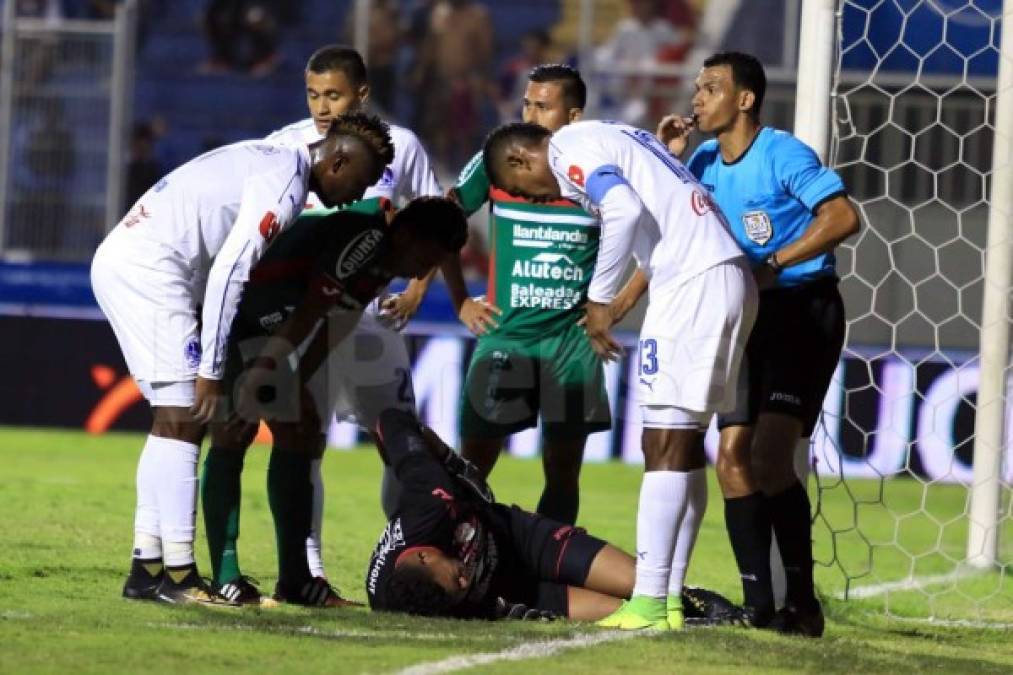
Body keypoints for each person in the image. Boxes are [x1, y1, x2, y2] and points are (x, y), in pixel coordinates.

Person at [92, 112, 394, 604]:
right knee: (185, 417)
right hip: (152, 271)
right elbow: (231, 272)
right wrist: (212, 370)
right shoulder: (285, 187)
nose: (356, 197)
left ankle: (147, 568)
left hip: (133, 259)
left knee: (169, 422)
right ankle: (180, 577)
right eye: (359, 182)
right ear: (338, 160)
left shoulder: (271, 159)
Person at [481, 119, 756, 630]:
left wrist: (600, 298)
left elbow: (623, 208)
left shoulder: (565, 149)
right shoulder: (611, 135)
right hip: (724, 274)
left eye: (524, 190)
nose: (537, 198)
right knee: (684, 446)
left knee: (664, 443)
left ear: (521, 163)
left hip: (693, 284)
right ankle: (668, 598)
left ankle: (649, 601)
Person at [199, 45, 443, 603]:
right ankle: (298, 570)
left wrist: (415, 288)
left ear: (362, 93)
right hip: (284, 310)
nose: (322, 106)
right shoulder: (286, 148)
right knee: (292, 433)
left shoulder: (398, 146)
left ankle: (408, 547)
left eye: (333, 94)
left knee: (397, 437)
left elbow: (432, 226)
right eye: (313, 94)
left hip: (364, 316)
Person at [648, 51, 860, 636]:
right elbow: (670, 223)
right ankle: (758, 606)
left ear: (745, 99)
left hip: (800, 312)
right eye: (695, 89)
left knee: (768, 457)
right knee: (732, 458)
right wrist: (669, 160)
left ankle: (804, 603)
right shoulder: (706, 159)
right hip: (744, 315)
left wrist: (774, 262)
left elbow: (843, 216)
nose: (696, 99)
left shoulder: (782, 153)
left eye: (710, 88)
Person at [206, 197, 468, 606]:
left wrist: (295, 376)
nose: (420, 273)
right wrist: (262, 381)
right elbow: (310, 314)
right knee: (233, 431)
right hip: (238, 309)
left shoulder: (386, 257)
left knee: (301, 428)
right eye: (426, 257)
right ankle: (226, 575)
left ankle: (294, 580)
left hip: (273, 318)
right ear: (408, 234)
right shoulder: (363, 239)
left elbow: (337, 321)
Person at [366, 408, 739, 622]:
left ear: (424, 554)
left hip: (522, 539)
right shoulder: (408, 601)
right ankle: (695, 622)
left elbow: (389, 420)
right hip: (516, 591)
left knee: (638, 583)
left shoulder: (429, 504)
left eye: (457, 576)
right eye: (458, 591)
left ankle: (697, 598)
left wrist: (441, 452)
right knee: (623, 615)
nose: (465, 580)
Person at [448, 64, 609, 526]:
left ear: (573, 116)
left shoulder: (598, 175)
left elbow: (646, 243)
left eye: (543, 105)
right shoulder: (501, 159)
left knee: (562, 474)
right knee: (471, 469)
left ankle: (553, 577)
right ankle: (464, 558)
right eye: (527, 103)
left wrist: (613, 307)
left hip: (571, 345)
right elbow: (442, 221)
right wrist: (458, 299)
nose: (531, 112)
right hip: (505, 338)